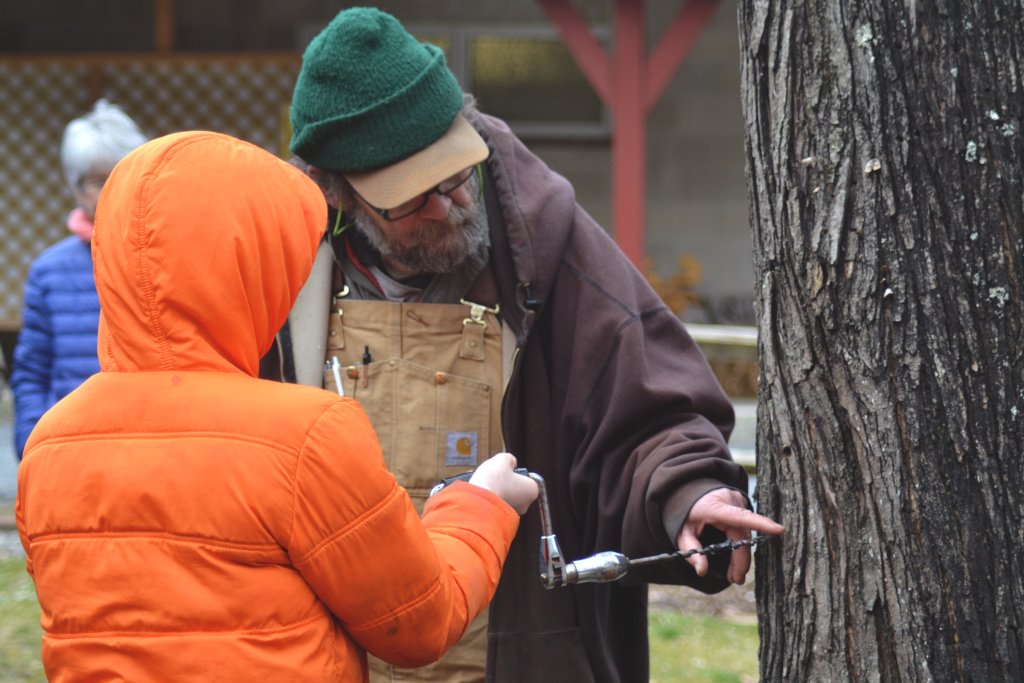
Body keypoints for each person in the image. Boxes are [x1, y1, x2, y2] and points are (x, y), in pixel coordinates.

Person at [281, 7, 784, 682]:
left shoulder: (550, 250)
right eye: (410, 198)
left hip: (519, 654)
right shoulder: (287, 279)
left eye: (454, 175)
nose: (446, 205)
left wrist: (684, 491)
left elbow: (645, 410)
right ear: (340, 194)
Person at [15, 131, 539, 681]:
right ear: (254, 265)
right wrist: (480, 504)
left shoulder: (49, 445)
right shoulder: (303, 437)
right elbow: (419, 622)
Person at [9, 99, 147, 460]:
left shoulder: (163, 259)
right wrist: (32, 443)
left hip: (143, 450)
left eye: (120, 174)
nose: (111, 189)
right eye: (98, 181)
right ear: (75, 187)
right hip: (67, 451)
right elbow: (32, 371)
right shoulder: (49, 270)